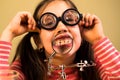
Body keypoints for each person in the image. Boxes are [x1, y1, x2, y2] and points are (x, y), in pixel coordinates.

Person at [0, 0, 120, 80]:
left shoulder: (97, 63)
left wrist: (98, 39)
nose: (62, 28)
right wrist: (9, 33)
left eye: (69, 18)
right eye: (48, 22)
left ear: (80, 30)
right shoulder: (25, 68)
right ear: (38, 41)